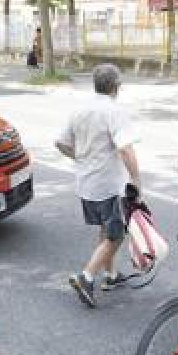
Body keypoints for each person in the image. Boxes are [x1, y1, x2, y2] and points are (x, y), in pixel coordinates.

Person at [56, 63, 140, 308]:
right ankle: (87, 277)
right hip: (109, 184)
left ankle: (110, 276)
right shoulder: (114, 111)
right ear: (116, 87)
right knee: (116, 235)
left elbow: (60, 143)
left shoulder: (79, 110)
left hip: (87, 184)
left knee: (105, 229)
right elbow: (125, 148)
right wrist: (136, 181)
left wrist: (81, 159)